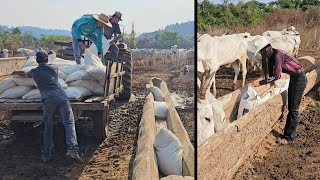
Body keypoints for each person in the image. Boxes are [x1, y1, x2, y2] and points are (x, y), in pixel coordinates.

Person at [12, 50, 83, 163]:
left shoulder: (34, 72)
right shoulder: (54, 68)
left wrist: (15, 71)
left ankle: (46, 155)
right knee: (69, 123)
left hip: (48, 100)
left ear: (36, 60)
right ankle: (72, 151)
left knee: (48, 126)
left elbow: (24, 74)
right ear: (47, 60)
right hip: (62, 98)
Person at [252, 37, 307, 143]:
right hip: (295, 77)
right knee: (292, 106)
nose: (261, 55)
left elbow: (277, 76)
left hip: (299, 79)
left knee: (293, 108)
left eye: (261, 52)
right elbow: (275, 74)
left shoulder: (277, 55)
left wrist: (260, 83)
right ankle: (288, 134)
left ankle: (289, 137)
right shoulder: (274, 54)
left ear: (266, 49)